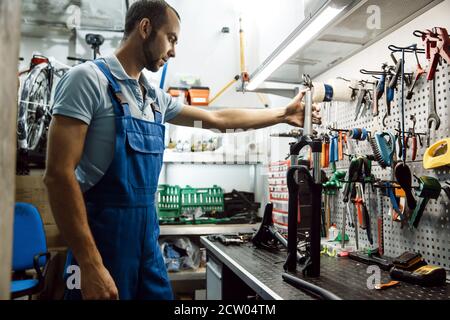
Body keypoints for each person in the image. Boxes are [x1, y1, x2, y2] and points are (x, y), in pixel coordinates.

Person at [43, 0, 321, 300]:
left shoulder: (152, 98)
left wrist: (283, 114)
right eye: (171, 38)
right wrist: (90, 263)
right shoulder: (87, 80)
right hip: (101, 246)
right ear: (145, 28)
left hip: (147, 243)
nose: (174, 51)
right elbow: (58, 176)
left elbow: (217, 119)